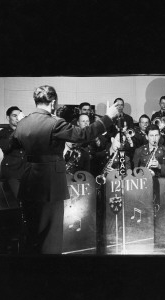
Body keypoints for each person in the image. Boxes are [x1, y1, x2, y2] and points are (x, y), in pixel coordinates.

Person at [10, 85, 119, 254]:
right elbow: (84, 135)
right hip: (50, 184)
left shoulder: (22, 122)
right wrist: (108, 117)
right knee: (50, 238)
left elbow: (14, 144)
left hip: (29, 181)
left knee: (32, 235)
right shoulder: (55, 123)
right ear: (53, 103)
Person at [0, 106, 29, 199]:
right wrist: (20, 128)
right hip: (12, 171)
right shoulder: (2, 133)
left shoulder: (26, 132)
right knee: (21, 199)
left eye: (19, 116)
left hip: (27, 171)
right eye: (14, 116)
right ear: (8, 117)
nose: (18, 118)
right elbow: (6, 146)